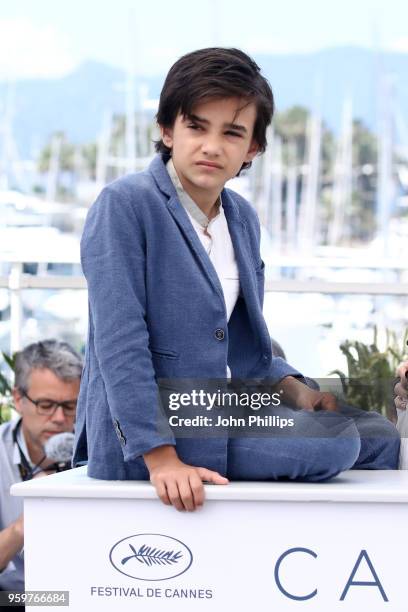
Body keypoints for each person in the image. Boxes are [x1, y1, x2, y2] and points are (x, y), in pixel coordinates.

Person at [73, 47, 399, 513]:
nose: (212, 146)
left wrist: (294, 389)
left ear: (253, 148)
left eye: (232, 132)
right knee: (335, 445)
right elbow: (118, 341)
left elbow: (239, 341)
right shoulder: (125, 205)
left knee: (380, 437)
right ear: (166, 130)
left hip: (225, 407)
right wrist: (160, 458)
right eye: (196, 126)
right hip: (159, 430)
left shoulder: (241, 218)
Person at [0, 340, 82, 598]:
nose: (59, 419)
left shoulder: (97, 453)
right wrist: (22, 527)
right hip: (12, 598)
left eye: (70, 406)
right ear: (18, 399)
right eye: (46, 405)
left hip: (82, 595)